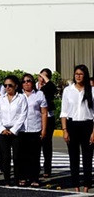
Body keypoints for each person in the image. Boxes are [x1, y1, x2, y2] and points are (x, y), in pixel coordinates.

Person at [60, 64, 94, 193]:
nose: (78, 76)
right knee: (73, 157)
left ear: (85, 75)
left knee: (88, 157)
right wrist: (64, 130)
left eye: (81, 74)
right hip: (72, 126)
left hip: (87, 125)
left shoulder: (91, 90)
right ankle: (75, 184)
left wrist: (93, 132)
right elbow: (64, 112)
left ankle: (86, 185)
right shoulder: (68, 90)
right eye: (76, 74)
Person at [0, 75, 27, 186]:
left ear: (16, 86)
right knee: (5, 157)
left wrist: (13, 130)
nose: (7, 88)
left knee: (17, 157)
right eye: (5, 85)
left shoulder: (21, 98)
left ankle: (17, 179)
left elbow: (23, 115)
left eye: (10, 85)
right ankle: (7, 180)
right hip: (3, 131)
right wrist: (2, 129)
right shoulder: (0, 99)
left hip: (16, 131)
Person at [18, 73, 47, 187]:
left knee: (34, 156)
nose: (26, 83)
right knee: (22, 156)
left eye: (29, 81)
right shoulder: (18, 96)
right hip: (21, 129)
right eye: (24, 81)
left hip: (35, 129)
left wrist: (43, 130)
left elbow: (44, 113)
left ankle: (34, 178)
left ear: (32, 82)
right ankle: (23, 177)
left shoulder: (39, 95)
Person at [38, 68, 57, 178]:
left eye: (44, 76)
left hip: (48, 117)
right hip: (37, 118)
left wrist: (45, 80)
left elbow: (53, 87)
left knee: (46, 144)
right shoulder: (33, 86)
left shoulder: (48, 88)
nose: (41, 79)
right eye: (40, 76)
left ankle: (47, 169)